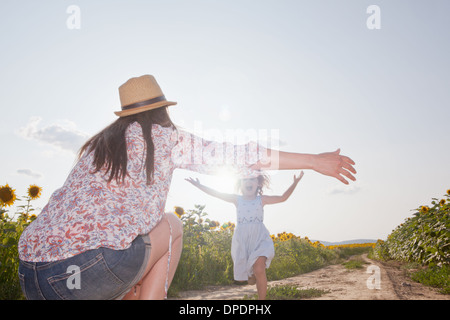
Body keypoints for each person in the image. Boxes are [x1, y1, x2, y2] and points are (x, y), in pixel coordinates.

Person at [18, 74, 356, 300]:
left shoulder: (99, 145)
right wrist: (313, 160)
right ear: (162, 111)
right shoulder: (163, 138)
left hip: (32, 275)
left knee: (133, 240)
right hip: (89, 270)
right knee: (173, 225)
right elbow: (241, 155)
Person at [186, 171, 304, 300]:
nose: (248, 182)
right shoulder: (237, 199)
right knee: (250, 280)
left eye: (252, 179)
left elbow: (282, 197)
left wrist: (295, 183)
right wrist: (199, 185)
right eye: (245, 180)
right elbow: (216, 194)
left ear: (258, 183)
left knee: (259, 269)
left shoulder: (262, 200)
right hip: (243, 241)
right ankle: (251, 274)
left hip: (260, 238)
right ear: (240, 184)